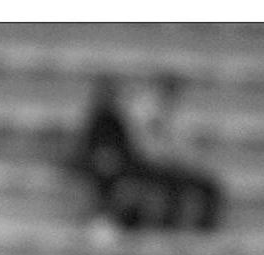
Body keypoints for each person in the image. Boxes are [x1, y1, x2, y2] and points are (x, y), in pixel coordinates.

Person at [76, 74, 221, 232]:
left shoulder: (181, 112)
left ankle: (205, 230)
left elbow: (186, 147)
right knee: (164, 188)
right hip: (148, 165)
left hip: (168, 165)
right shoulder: (141, 112)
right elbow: (141, 147)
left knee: (208, 188)